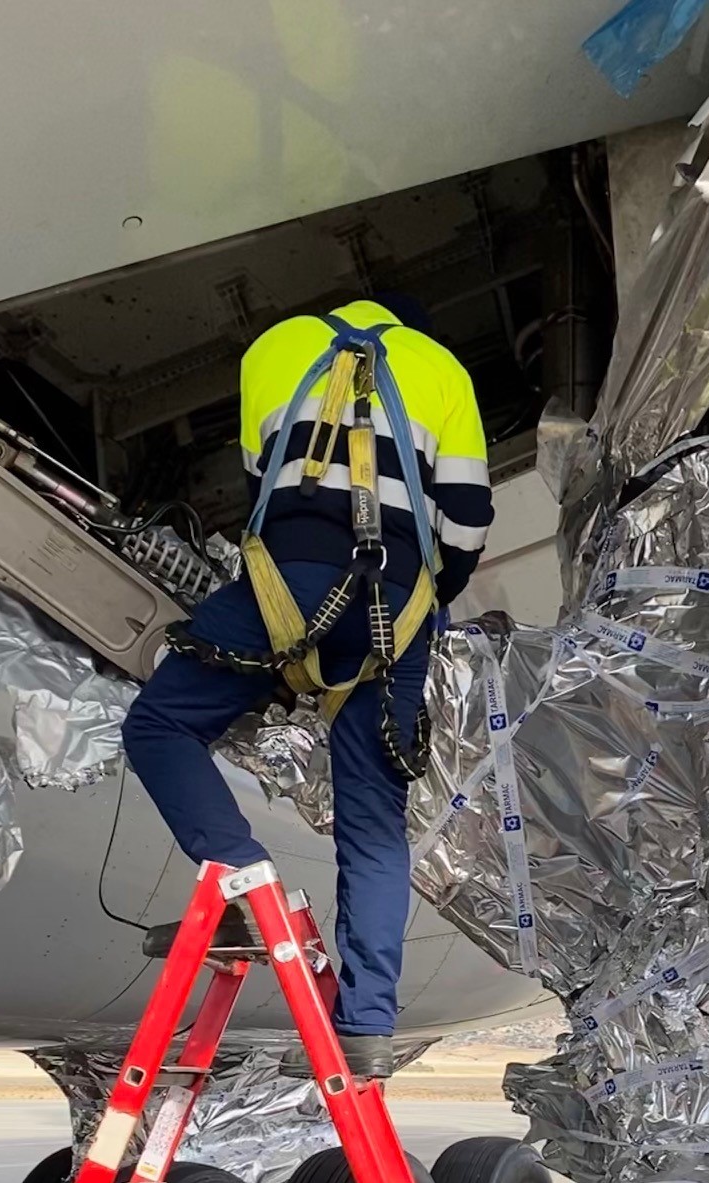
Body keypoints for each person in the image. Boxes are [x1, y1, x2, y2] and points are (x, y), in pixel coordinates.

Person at [122, 295, 493, 1080]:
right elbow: (464, 523)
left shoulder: (274, 350)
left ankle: (239, 876)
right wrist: (425, 602)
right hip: (397, 607)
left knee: (160, 726)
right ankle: (364, 1028)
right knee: (371, 824)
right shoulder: (444, 370)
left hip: (285, 584)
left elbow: (264, 479)